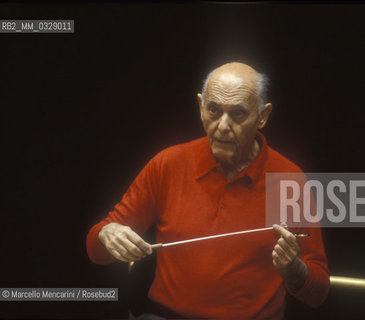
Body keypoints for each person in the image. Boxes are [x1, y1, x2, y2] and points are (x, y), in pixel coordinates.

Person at [86, 62, 329, 319]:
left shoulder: (289, 179)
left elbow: (318, 293)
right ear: (200, 106)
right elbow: (96, 252)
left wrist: (293, 269)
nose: (222, 125)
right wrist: (106, 234)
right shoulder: (168, 164)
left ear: (263, 116)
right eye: (213, 110)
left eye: (237, 114)